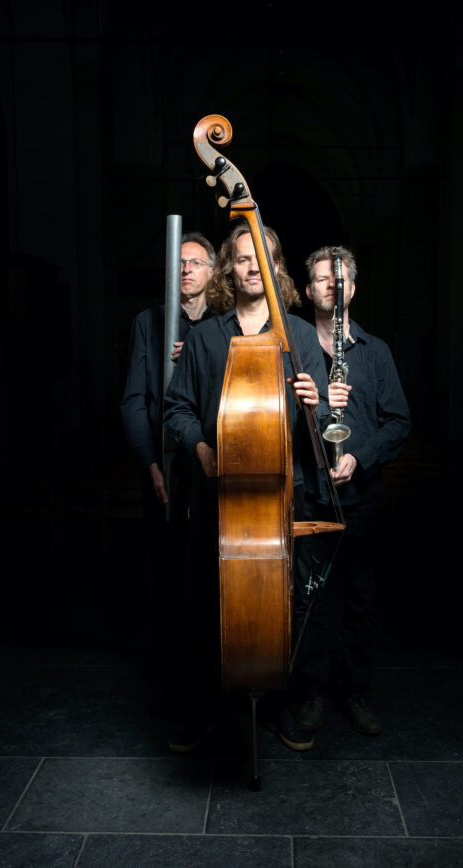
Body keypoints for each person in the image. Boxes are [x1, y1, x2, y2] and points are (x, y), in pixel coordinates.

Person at [163, 221, 331, 753]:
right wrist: (201, 448)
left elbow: (325, 426)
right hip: (218, 497)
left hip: (283, 494)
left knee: (286, 607)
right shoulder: (208, 336)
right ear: (229, 270)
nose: (251, 267)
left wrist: (315, 404)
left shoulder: (299, 336)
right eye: (241, 258)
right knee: (206, 606)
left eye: (261, 257)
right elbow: (177, 408)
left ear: (277, 266)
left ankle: (281, 707)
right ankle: (209, 709)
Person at [294, 244, 411, 737]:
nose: (332, 287)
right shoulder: (294, 352)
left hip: (361, 496)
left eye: (340, 281)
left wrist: (359, 456)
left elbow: (398, 422)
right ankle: (312, 693)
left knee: (362, 599)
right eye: (322, 279)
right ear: (307, 290)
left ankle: (353, 691)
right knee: (310, 600)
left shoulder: (376, 352)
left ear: (354, 289)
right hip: (310, 495)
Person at [119, 231, 215, 698]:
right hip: (164, 472)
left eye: (196, 262)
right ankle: (170, 686)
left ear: (213, 272)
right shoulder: (148, 322)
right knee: (166, 576)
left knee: (209, 579)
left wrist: (196, 357)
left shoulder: (225, 326)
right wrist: (150, 464)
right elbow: (134, 402)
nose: (186, 270)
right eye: (179, 263)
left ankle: (212, 683)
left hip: (210, 470)